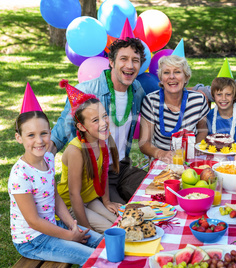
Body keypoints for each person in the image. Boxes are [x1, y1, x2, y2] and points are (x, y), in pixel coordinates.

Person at [9, 86, 102, 265]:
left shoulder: (48, 159)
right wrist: (69, 236)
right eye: (31, 135)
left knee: (101, 242)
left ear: (50, 132)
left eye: (44, 133)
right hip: (32, 241)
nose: (39, 140)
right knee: (93, 257)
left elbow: (55, 196)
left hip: (53, 226)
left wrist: (72, 225)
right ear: (18, 138)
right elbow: (34, 221)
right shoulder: (20, 175)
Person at [51, 37, 147, 204]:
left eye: (135, 60)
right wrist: (40, 161)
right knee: (125, 216)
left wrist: (197, 90)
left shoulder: (137, 90)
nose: (130, 66)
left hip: (122, 166)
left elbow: (162, 96)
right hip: (95, 171)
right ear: (111, 61)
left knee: (156, 190)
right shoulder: (87, 91)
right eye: (123, 59)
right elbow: (61, 130)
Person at [57, 81, 121, 234]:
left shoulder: (101, 141)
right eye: (95, 120)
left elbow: (103, 174)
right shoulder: (76, 151)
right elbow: (73, 194)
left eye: (104, 116)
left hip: (90, 200)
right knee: (111, 231)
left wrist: (106, 201)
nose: (103, 123)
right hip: (70, 205)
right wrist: (87, 229)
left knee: (121, 222)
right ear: (81, 127)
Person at [139, 55, 209, 163]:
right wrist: (162, 154)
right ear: (161, 79)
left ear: (186, 77)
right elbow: (144, 143)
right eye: (166, 72)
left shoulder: (198, 100)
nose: (172, 77)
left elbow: (203, 130)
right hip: (162, 161)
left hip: (191, 160)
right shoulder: (151, 101)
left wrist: (194, 150)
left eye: (177, 72)